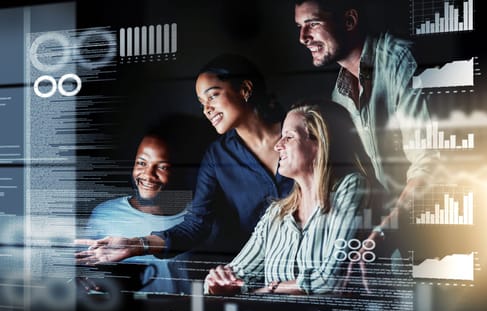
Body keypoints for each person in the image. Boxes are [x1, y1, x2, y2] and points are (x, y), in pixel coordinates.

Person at [75, 54, 294, 274]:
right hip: (260, 275)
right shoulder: (217, 156)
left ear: (245, 89)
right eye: (201, 103)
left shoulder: (303, 131)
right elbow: (196, 225)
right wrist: (137, 245)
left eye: (213, 96)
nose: (206, 109)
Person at [293, 0, 439, 257]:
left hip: (435, 234)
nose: (303, 37)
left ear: (349, 20)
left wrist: (383, 232)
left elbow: (431, 163)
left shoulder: (402, 61)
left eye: (312, 23)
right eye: (299, 27)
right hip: (388, 244)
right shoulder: (339, 94)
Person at [205, 101, 382, 295]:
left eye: (288, 137)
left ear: (319, 143)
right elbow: (236, 274)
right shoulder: (276, 213)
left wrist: (269, 289)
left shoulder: (351, 187)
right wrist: (216, 283)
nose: (278, 146)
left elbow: (332, 279)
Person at [79, 127, 192, 294]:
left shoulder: (198, 220)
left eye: (162, 167)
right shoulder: (105, 214)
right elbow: (82, 273)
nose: (148, 174)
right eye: (141, 163)